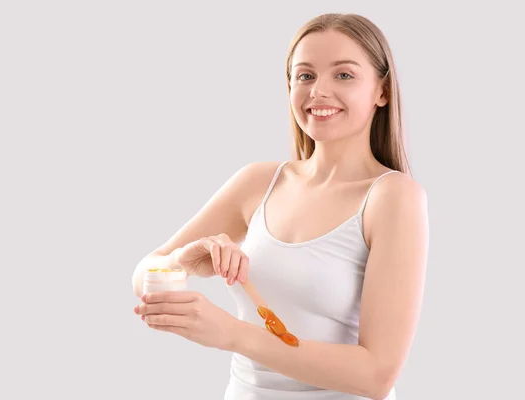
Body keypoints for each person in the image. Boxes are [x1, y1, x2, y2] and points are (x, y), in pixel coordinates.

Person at [131, 12, 428, 400]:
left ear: (382, 91)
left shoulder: (393, 197)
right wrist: (181, 263)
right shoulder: (259, 182)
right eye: (305, 75)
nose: (318, 91)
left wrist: (232, 335)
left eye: (344, 75)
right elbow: (145, 274)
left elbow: (375, 376)